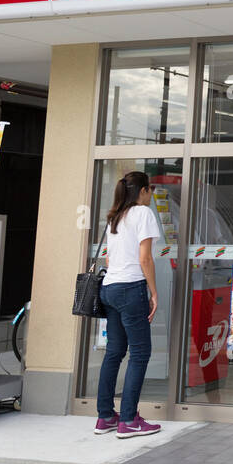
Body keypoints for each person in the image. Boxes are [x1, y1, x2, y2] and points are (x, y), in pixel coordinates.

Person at [94, 171, 163, 438]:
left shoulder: (116, 215)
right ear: (143, 191)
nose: (151, 195)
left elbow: (110, 260)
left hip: (110, 288)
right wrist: (154, 293)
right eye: (151, 189)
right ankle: (129, 420)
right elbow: (145, 259)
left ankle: (105, 417)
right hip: (130, 288)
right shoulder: (143, 213)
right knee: (140, 353)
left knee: (114, 352)